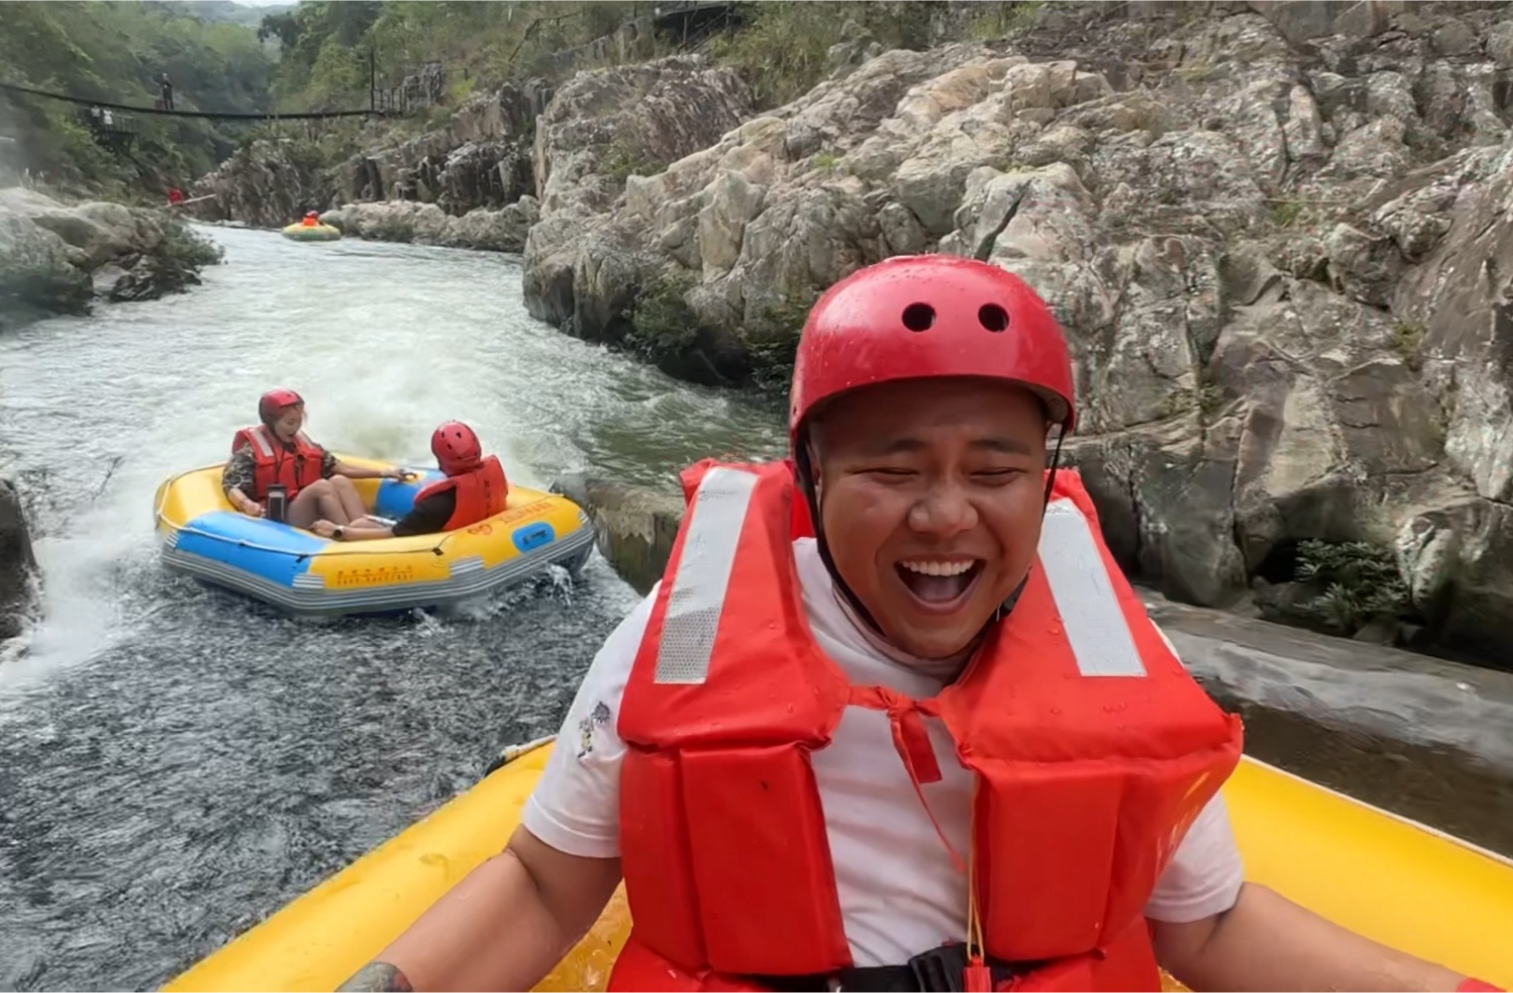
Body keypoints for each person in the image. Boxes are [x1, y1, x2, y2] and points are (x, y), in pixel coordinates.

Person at [337, 257, 1500, 993]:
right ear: (811, 474)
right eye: (894, 469)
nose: (947, 516)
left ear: (1046, 484)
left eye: (995, 469)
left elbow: (1205, 923)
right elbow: (548, 886)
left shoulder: (1098, 657)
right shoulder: (678, 643)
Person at [222, 389, 409, 531]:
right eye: (289, 423)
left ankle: (360, 526)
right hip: (278, 515)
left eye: (298, 421)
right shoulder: (250, 453)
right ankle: (349, 535)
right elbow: (232, 486)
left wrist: (385, 472)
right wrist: (247, 505)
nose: (295, 428)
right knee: (322, 486)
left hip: (307, 505)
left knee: (339, 480)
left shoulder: (303, 444)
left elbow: (341, 469)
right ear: (271, 423)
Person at [312, 421, 509, 542]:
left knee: (360, 525)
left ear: (440, 460)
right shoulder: (494, 478)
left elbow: (394, 534)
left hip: (428, 545)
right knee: (343, 487)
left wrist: (339, 532)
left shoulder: (437, 504)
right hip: (472, 533)